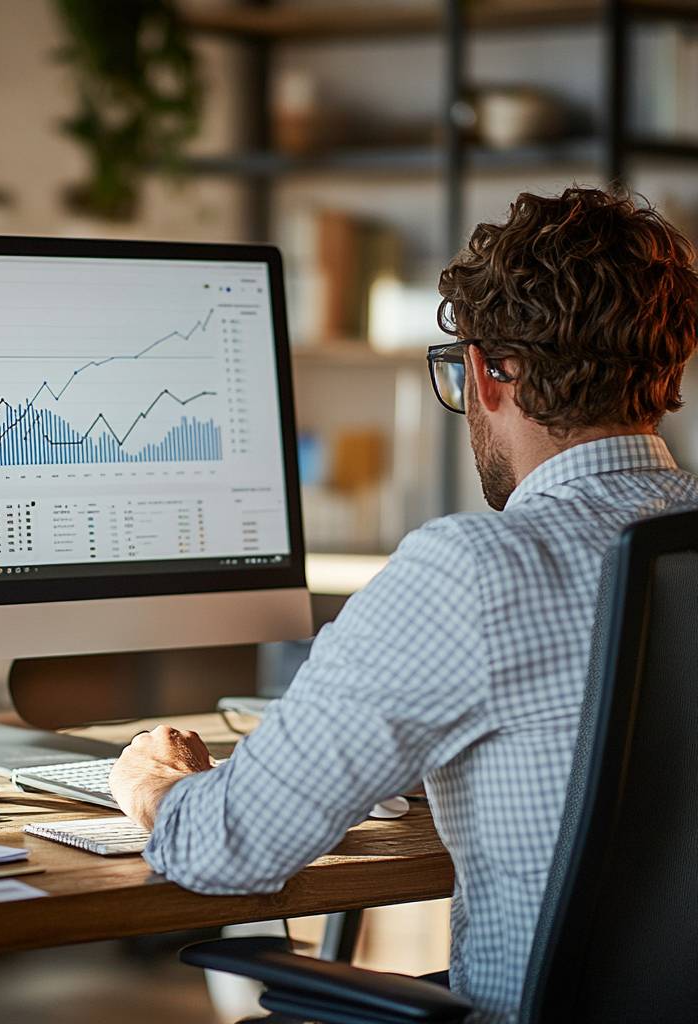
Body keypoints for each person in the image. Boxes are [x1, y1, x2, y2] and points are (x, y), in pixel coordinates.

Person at [109, 186, 698, 1023]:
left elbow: (230, 848)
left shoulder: (471, 570)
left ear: (494, 371)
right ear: (666, 370)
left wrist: (155, 786)